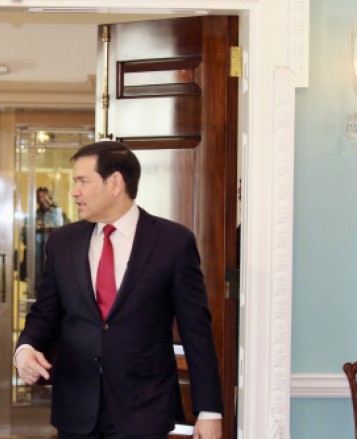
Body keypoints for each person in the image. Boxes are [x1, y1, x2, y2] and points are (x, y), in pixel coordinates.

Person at [15, 141, 223, 439]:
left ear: (115, 183)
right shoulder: (62, 242)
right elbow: (44, 314)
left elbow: (196, 330)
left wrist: (209, 410)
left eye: (83, 181)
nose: (74, 191)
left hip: (144, 409)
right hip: (76, 406)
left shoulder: (173, 242)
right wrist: (25, 349)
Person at [20, 187, 69, 288]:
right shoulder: (31, 217)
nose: (42, 200)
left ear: (49, 198)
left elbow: (67, 232)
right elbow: (24, 237)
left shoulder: (58, 214)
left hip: (54, 257)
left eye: (44, 197)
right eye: (39, 197)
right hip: (36, 260)